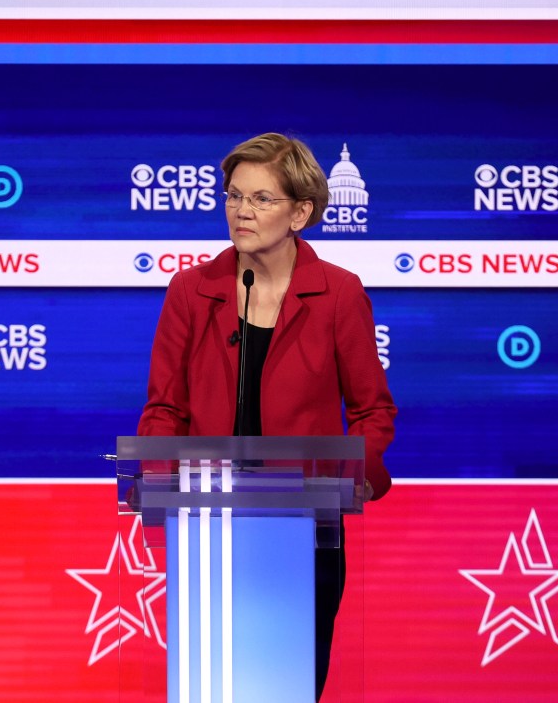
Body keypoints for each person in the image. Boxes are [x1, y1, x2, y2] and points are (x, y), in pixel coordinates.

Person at [138, 132, 395, 699]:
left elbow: (373, 411)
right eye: (233, 196)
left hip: (303, 529)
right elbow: (164, 409)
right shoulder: (191, 290)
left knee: (290, 686)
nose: (241, 211)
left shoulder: (338, 295)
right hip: (210, 526)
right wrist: (158, 487)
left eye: (260, 199)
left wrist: (347, 479)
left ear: (302, 211)